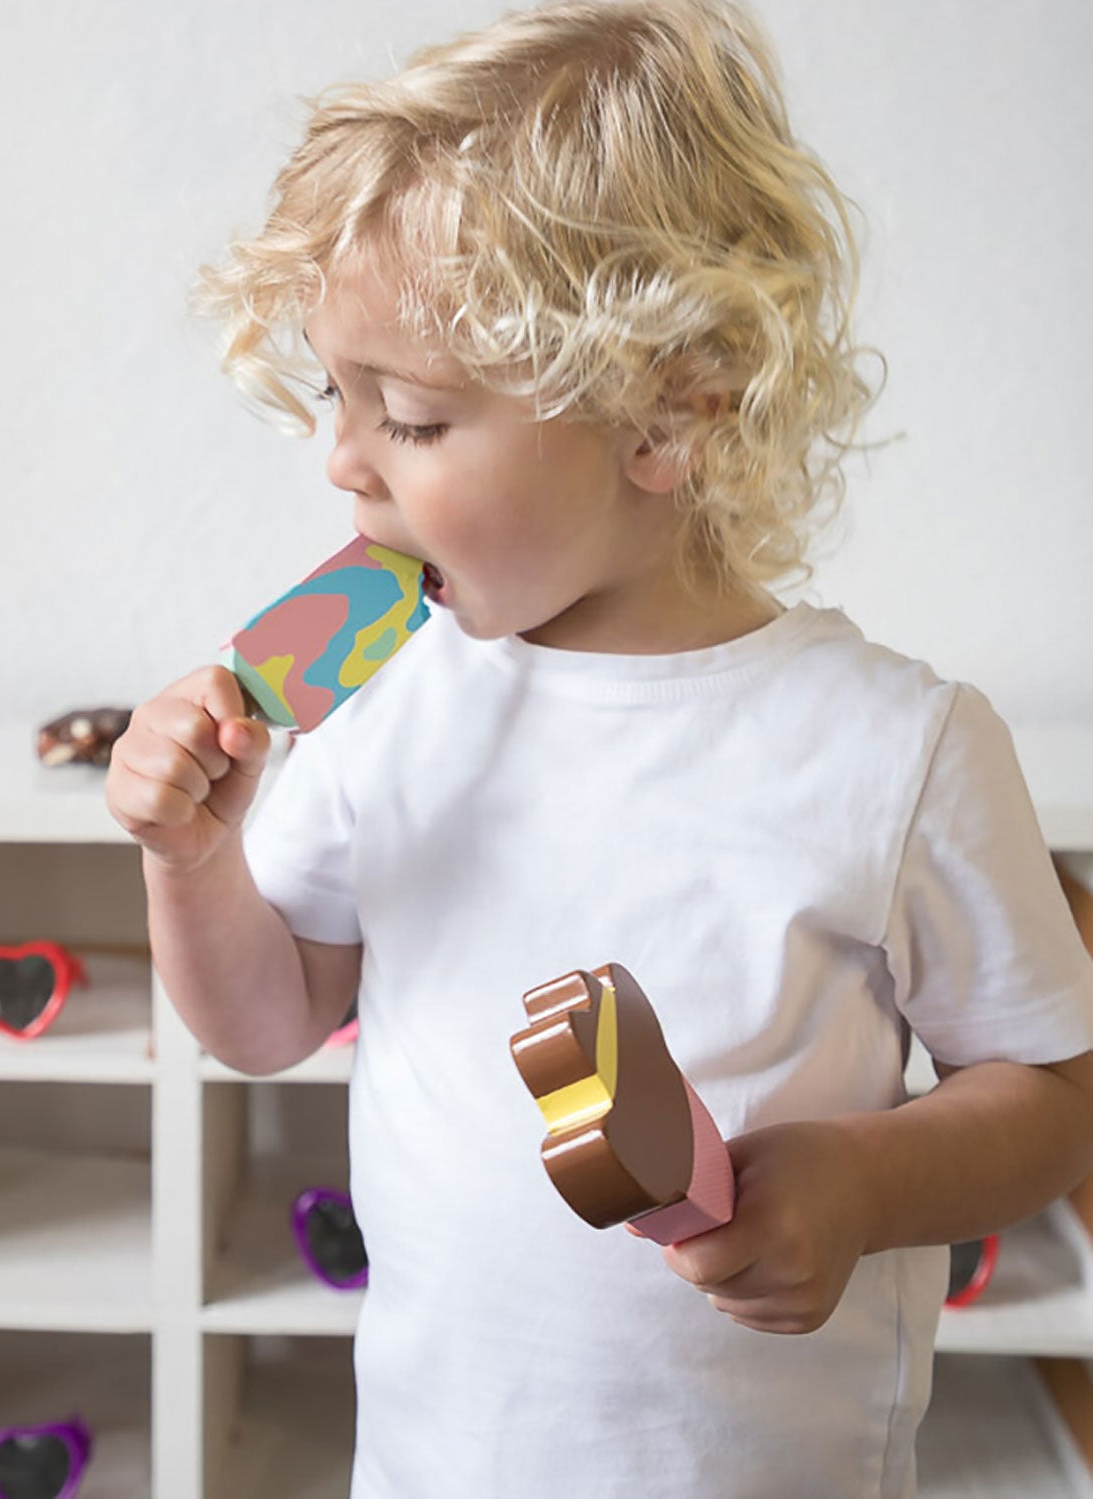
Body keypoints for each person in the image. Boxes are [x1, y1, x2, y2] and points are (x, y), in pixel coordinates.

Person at [105, 2, 1093, 1494]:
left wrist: (863, 1180)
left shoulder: (897, 748)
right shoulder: (390, 700)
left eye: (416, 419)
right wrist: (193, 857)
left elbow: (1051, 1097)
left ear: (670, 411)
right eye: (336, 393)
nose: (342, 458)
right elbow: (264, 1020)